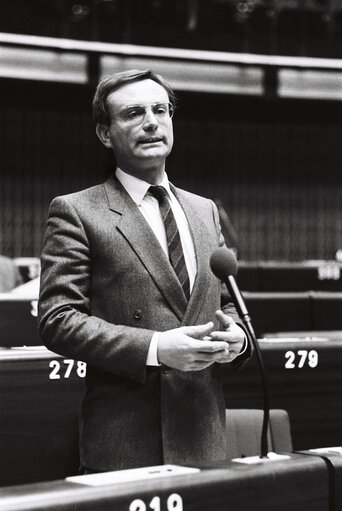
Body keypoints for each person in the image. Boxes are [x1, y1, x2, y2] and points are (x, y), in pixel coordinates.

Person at [38, 69, 252, 473]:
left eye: (160, 109)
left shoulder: (205, 210)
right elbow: (57, 320)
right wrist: (156, 348)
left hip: (203, 436)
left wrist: (237, 339)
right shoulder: (77, 211)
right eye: (134, 113)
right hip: (126, 441)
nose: (151, 121)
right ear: (105, 133)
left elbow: (228, 304)